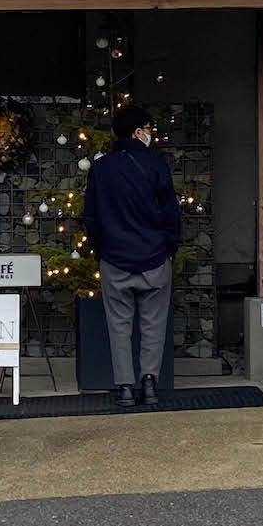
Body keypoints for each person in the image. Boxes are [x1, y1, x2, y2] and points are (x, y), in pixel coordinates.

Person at [81, 104, 182, 408]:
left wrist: (102, 249)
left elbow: (92, 217)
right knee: (153, 324)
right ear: (138, 132)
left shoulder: (101, 168)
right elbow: (170, 213)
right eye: (150, 129)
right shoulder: (156, 165)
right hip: (154, 257)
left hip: (115, 258)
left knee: (119, 325)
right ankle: (149, 383)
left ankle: (125, 386)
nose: (152, 134)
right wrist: (170, 247)